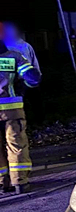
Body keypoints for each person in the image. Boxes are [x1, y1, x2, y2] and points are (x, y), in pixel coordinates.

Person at [0, 22, 41, 194]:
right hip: (11, 108)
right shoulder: (13, 56)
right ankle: (20, 182)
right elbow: (33, 79)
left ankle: (2, 183)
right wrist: (23, 86)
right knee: (16, 144)